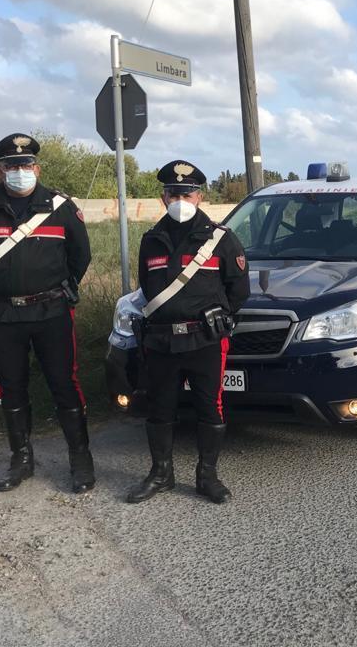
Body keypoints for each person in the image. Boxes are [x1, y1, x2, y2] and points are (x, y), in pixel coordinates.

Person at [0, 133, 94, 493]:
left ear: (37, 167)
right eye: (12, 165)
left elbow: (80, 256)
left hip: (51, 311)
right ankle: (21, 459)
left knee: (64, 385)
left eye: (26, 164)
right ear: (0, 170)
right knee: (12, 387)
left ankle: (80, 459)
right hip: (2, 315)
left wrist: (58, 287)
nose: (20, 170)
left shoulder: (61, 206)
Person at [127, 160, 250, 504]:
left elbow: (238, 291)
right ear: (163, 198)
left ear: (200, 195)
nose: (181, 198)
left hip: (204, 340)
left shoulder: (221, 239)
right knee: (159, 408)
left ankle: (207, 477)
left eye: (188, 192)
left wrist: (213, 314)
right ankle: (161, 474)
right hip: (162, 340)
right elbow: (147, 288)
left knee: (209, 408)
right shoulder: (151, 240)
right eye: (174, 192)